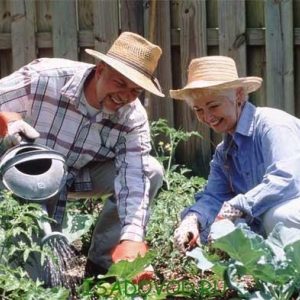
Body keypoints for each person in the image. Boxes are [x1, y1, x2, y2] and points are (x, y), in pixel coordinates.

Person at [0, 31, 164, 280]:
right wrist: (8, 119)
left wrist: (132, 240)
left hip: (81, 174)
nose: (125, 96)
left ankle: (105, 264)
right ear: (100, 70)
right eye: (120, 83)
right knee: (34, 280)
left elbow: (136, 180)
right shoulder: (45, 78)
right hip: (25, 175)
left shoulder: (133, 117)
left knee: (150, 170)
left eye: (135, 90)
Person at [170, 55, 300, 251]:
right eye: (198, 110)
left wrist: (237, 206)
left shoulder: (273, 125)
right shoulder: (224, 153)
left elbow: (287, 180)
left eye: (213, 106)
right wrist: (192, 219)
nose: (207, 117)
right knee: (210, 227)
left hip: (289, 210)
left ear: (238, 96)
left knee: (279, 218)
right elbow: (214, 197)